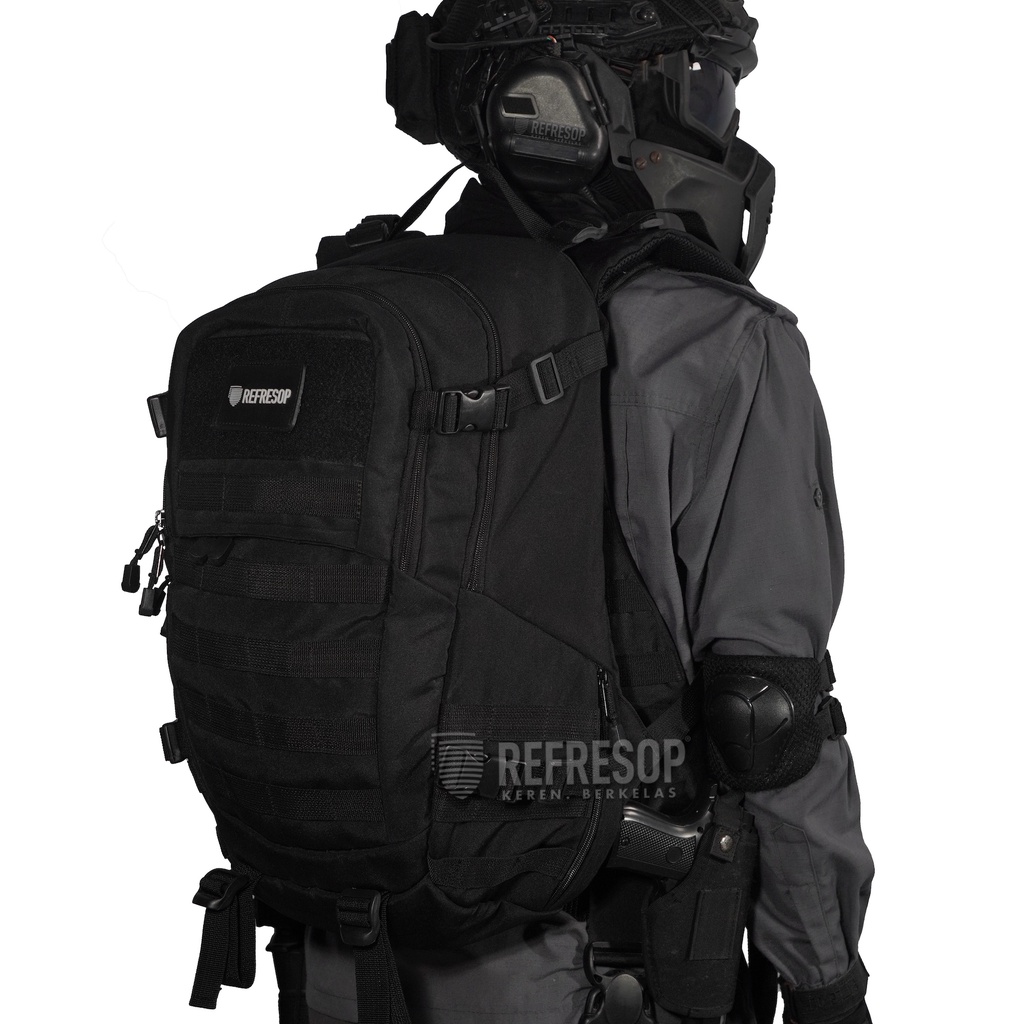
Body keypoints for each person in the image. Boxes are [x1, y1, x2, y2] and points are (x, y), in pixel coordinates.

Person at [305, 3, 874, 1022]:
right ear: (598, 100)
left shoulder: (356, 311)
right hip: (606, 969)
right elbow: (764, 717)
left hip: (342, 957)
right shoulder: (714, 340)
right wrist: (827, 984)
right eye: (709, 86)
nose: (729, 121)